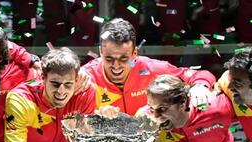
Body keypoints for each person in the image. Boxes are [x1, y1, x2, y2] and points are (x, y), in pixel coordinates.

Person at [4, 47, 96, 142]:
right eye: (55, 83)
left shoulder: (85, 93)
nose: (61, 91)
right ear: (42, 77)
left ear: (77, 79)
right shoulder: (20, 99)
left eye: (68, 84)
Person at [82, 17, 216, 116]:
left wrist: (200, 86)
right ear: (100, 52)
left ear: (135, 53)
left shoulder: (152, 69)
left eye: (124, 59)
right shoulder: (85, 77)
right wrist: (93, 118)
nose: (116, 65)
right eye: (109, 58)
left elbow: (199, 75)